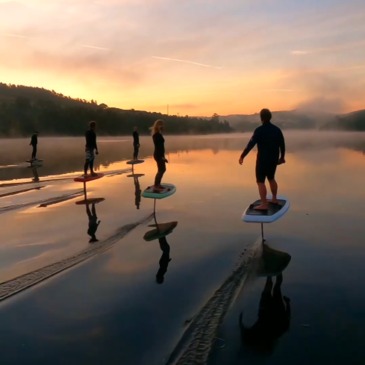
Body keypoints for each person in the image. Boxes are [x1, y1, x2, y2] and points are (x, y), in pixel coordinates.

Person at [239, 108, 285, 210]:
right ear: (270, 117)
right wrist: (282, 157)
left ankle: (264, 204)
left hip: (262, 160)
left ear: (261, 118)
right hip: (273, 159)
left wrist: (242, 156)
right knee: (271, 178)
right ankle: (274, 199)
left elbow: (250, 144)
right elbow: (282, 145)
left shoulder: (259, 130)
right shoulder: (277, 130)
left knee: (260, 181)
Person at [151, 119, 168, 191]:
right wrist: (162, 157)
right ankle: (156, 185)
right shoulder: (156, 135)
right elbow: (159, 147)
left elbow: (161, 146)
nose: (163, 126)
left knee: (161, 169)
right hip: (158, 155)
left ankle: (157, 184)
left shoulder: (158, 134)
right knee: (162, 169)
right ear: (158, 126)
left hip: (160, 155)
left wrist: (163, 157)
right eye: (161, 125)